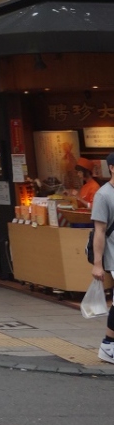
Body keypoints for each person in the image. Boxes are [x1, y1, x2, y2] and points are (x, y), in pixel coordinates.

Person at [91, 151, 114, 365]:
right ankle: (108, 345)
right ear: (112, 168)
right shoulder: (103, 195)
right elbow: (99, 230)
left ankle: (109, 345)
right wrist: (98, 264)